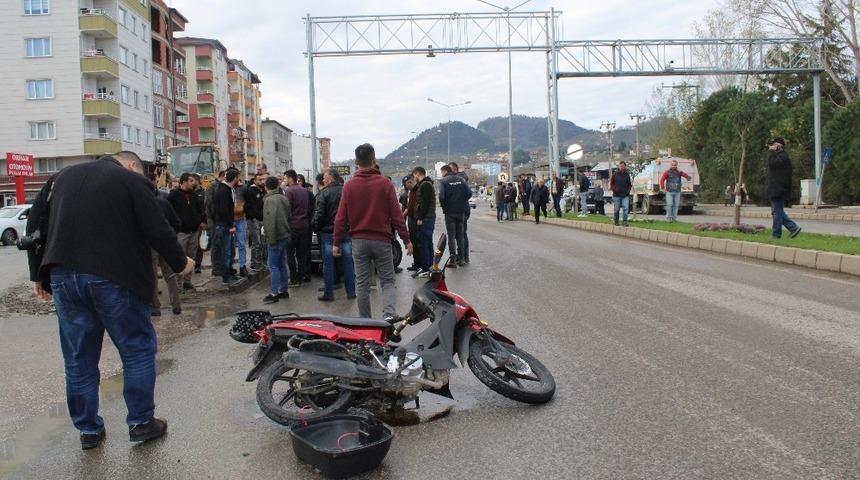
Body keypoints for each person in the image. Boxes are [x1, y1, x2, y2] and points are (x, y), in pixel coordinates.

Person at [28, 151, 193, 450]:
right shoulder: (130, 181)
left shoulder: (59, 178)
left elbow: (35, 224)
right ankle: (141, 423)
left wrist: (37, 274)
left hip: (64, 276)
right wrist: (181, 262)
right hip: (116, 278)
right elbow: (157, 228)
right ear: (131, 166)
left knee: (79, 359)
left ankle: (88, 430)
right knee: (137, 351)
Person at [333, 144, 412, 320]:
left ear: (355, 162)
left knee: (362, 284)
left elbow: (340, 218)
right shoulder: (385, 184)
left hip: (358, 241)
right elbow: (397, 215)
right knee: (387, 280)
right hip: (382, 240)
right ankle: (389, 316)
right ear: (374, 159)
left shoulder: (349, 186)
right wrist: (406, 240)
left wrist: (336, 243)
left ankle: (366, 323)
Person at [314, 169, 356, 301]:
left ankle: (329, 293)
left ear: (331, 178)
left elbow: (319, 215)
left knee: (328, 264)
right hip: (345, 232)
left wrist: (316, 227)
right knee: (348, 262)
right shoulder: (347, 191)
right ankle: (351, 292)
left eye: (325, 177)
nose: (323, 180)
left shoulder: (324, 194)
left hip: (328, 233)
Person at [151, 175, 182, 316]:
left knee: (152, 277)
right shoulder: (165, 203)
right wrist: (171, 234)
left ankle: (155, 308)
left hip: (151, 244)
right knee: (170, 275)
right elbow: (177, 222)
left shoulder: (143, 205)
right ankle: (176, 306)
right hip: (167, 242)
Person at [168, 173, 205, 290]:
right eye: (190, 181)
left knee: (191, 257)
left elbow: (201, 209)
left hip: (194, 231)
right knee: (180, 258)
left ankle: (187, 281)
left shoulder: (193, 195)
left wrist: (201, 221)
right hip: (181, 232)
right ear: (184, 182)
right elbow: (168, 211)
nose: (193, 183)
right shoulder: (174, 195)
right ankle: (178, 284)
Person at [262, 176, 292, 304]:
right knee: (282, 264)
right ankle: (283, 290)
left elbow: (270, 222)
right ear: (277, 186)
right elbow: (289, 216)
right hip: (285, 234)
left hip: (276, 236)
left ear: (266, 187)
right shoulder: (284, 198)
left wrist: (271, 239)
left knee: (273, 265)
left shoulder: (269, 200)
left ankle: (274, 293)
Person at [765, 137, 801, 239]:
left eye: (772, 145)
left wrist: (772, 152)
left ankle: (776, 234)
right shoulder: (778, 156)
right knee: (777, 212)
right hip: (775, 189)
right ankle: (793, 228)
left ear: (779, 146)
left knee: (777, 212)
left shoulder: (783, 157)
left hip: (779, 189)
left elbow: (772, 163)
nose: (770, 147)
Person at [439, 165, 472, 267]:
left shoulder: (443, 181)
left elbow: (441, 196)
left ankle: (453, 260)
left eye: (441, 172)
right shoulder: (461, 180)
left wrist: (445, 206)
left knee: (452, 236)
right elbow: (469, 193)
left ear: (445, 171)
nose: (441, 174)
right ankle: (461, 259)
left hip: (450, 212)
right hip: (461, 211)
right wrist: (462, 201)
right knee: (460, 235)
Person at [213, 168, 241, 285]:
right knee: (226, 252)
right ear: (234, 178)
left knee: (229, 251)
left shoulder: (227, 189)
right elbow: (224, 211)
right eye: (238, 177)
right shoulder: (224, 191)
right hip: (224, 225)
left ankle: (230, 273)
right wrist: (230, 225)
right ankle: (226, 276)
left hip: (225, 224)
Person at [283, 170, 311, 287]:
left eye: (285, 178)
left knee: (290, 253)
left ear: (290, 178)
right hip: (304, 225)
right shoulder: (305, 190)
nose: (284, 180)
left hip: (293, 226)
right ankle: (301, 277)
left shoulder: (289, 191)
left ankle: (293, 278)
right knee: (301, 253)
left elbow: (287, 210)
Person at [411, 167, 435, 277]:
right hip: (427, 218)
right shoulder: (424, 184)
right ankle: (428, 267)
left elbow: (425, 203)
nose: (413, 177)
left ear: (417, 173)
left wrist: (420, 218)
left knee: (424, 244)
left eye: (414, 175)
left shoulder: (425, 185)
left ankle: (426, 268)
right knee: (427, 243)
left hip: (426, 219)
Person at [205, 170, 226, 277]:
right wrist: (216, 216)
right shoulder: (213, 187)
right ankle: (216, 268)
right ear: (222, 176)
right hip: (214, 220)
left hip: (220, 220)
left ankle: (222, 266)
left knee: (221, 244)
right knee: (216, 244)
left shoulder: (221, 186)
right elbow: (209, 203)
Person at [449, 162, 471, 264]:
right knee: (459, 234)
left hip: (462, 209)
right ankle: (461, 255)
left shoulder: (460, 179)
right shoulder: (458, 179)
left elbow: (468, 193)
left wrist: (461, 201)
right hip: (460, 208)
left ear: (455, 170)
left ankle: (464, 256)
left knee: (462, 233)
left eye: (450, 170)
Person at [244, 173, 266, 272]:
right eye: (259, 180)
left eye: (262, 180)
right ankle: (254, 263)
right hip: (253, 220)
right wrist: (252, 217)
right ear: (255, 181)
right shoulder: (251, 191)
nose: (261, 181)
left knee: (261, 242)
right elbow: (249, 206)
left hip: (261, 219)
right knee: (256, 242)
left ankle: (259, 262)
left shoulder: (262, 191)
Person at [401, 175, 420, 272]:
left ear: (410, 182)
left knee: (417, 241)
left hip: (416, 219)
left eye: (406, 185)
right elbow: (408, 207)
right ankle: (416, 263)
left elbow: (412, 207)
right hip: (411, 219)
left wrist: (402, 215)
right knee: (413, 239)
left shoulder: (417, 191)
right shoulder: (410, 192)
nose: (406, 187)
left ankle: (419, 263)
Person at [610, 161, 633, 226]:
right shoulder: (615, 174)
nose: (621, 167)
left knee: (626, 208)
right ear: (619, 167)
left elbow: (629, 184)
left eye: (623, 166)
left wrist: (628, 191)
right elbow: (611, 184)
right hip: (617, 195)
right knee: (617, 209)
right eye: (620, 166)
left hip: (625, 195)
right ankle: (616, 221)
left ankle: (625, 221)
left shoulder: (627, 175)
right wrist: (614, 190)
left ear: (625, 166)